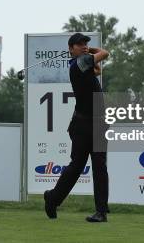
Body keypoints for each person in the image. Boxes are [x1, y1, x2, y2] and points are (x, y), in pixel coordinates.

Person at [44, 32, 110, 223]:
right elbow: (105, 53)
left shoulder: (85, 64)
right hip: (82, 125)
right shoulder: (78, 64)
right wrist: (93, 51)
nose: (83, 46)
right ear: (71, 49)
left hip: (98, 122)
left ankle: (101, 211)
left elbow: (98, 71)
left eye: (85, 44)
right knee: (76, 167)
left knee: (100, 166)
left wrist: (88, 52)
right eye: (79, 44)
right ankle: (53, 198)